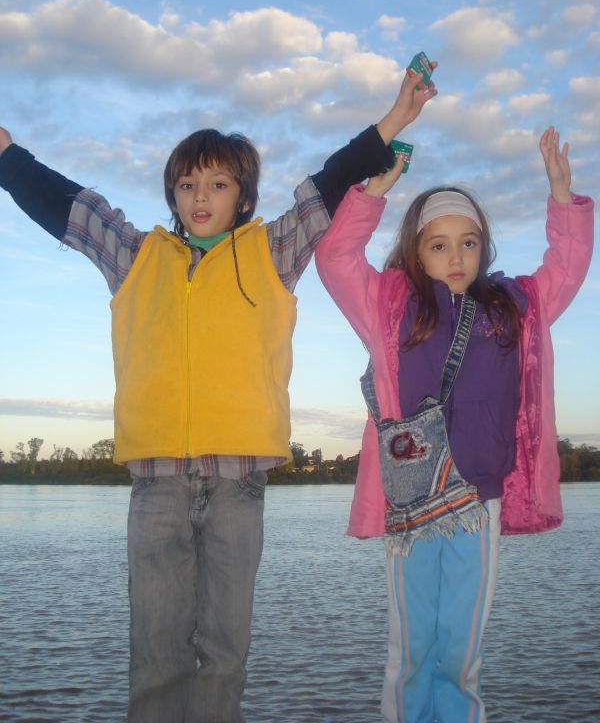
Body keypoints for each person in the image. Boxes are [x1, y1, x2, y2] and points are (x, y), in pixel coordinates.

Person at [0, 65, 437, 723]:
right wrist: (7, 156)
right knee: (156, 652)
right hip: (157, 485)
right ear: (172, 194)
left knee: (227, 651)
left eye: (217, 183)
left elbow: (326, 185)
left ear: (243, 195)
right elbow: (72, 207)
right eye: (186, 183)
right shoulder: (135, 254)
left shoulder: (272, 250)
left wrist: (395, 120)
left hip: (239, 485)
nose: (199, 195)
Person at [315, 125, 594, 722]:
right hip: (411, 506)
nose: (455, 256)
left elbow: (565, 270)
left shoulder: (513, 307)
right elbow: (335, 258)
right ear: (415, 251)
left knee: (462, 653)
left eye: (468, 243)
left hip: (478, 501)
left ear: (484, 247)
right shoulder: (390, 305)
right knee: (411, 651)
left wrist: (562, 200)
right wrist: (373, 192)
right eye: (438, 245)